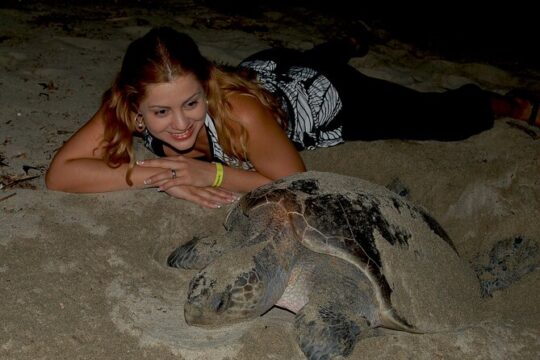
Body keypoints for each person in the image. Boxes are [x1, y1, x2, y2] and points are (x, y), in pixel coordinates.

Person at [45, 26, 540, 208]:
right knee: (307, 58)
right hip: (271, 68)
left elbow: (298, 182)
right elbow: (60, 175)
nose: (179, 124)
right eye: (160, 111)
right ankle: (338, 44)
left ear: (207, 84)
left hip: (327, 97)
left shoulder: (237, 111)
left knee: (439, 117)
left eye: (191, 103)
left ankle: (507, 103)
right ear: (134, 106)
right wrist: (149, 174)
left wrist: (209, 171)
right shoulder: (124, 107)